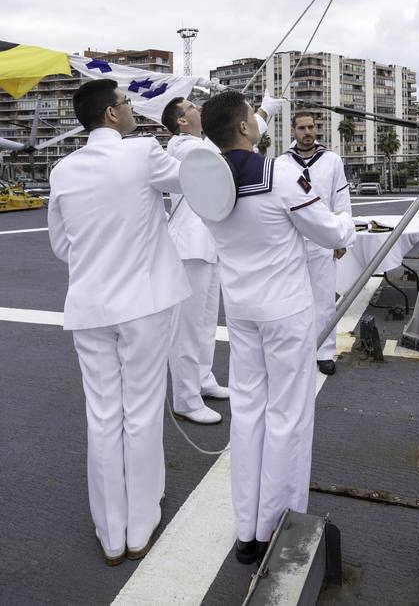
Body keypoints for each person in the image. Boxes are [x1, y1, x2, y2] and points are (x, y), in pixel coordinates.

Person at [200, 90, 355, 566]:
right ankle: (276, 525)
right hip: (285, 313)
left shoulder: (207, 182)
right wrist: (347, 221)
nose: (257, 120)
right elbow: (328, 232)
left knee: (248, 414)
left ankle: (247, 529)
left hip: (241, 311)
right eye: (253, 115)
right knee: (288, 415)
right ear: (246, 128)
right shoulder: (279, 175)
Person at [48, 79, 191, 566]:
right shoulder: (144, 152)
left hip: (89, 306)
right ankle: (140, 522)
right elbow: (193, 181)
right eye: (127, 103)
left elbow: (62, 245)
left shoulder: (62, 169)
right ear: (111, 114)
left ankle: (111, 533)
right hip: (144, 303)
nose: (133, 109)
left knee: (104, 415)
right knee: (143, 412)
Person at [161, 96, 228, 426]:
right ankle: (186, 398)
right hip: (189, 245)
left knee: (204, 322)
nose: (200, 109)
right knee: (187, 327)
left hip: (206, 243)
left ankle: (203, 379)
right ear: (182, 121)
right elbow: (224, 160)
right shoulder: (184, 147)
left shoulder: (198, 144)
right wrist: (259, 114)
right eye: (193, 108)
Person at [277, 111, 352, 375]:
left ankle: (323, 351)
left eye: (311, 127)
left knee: (323, 299)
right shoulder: (282, 163)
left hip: (323, 241)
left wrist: (340, 239)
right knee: (292, 299)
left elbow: (341, 200)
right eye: (301, 128)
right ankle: (298, 350)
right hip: (293, 241)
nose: (307, 132)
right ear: (293, 131)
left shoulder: (332, 160)